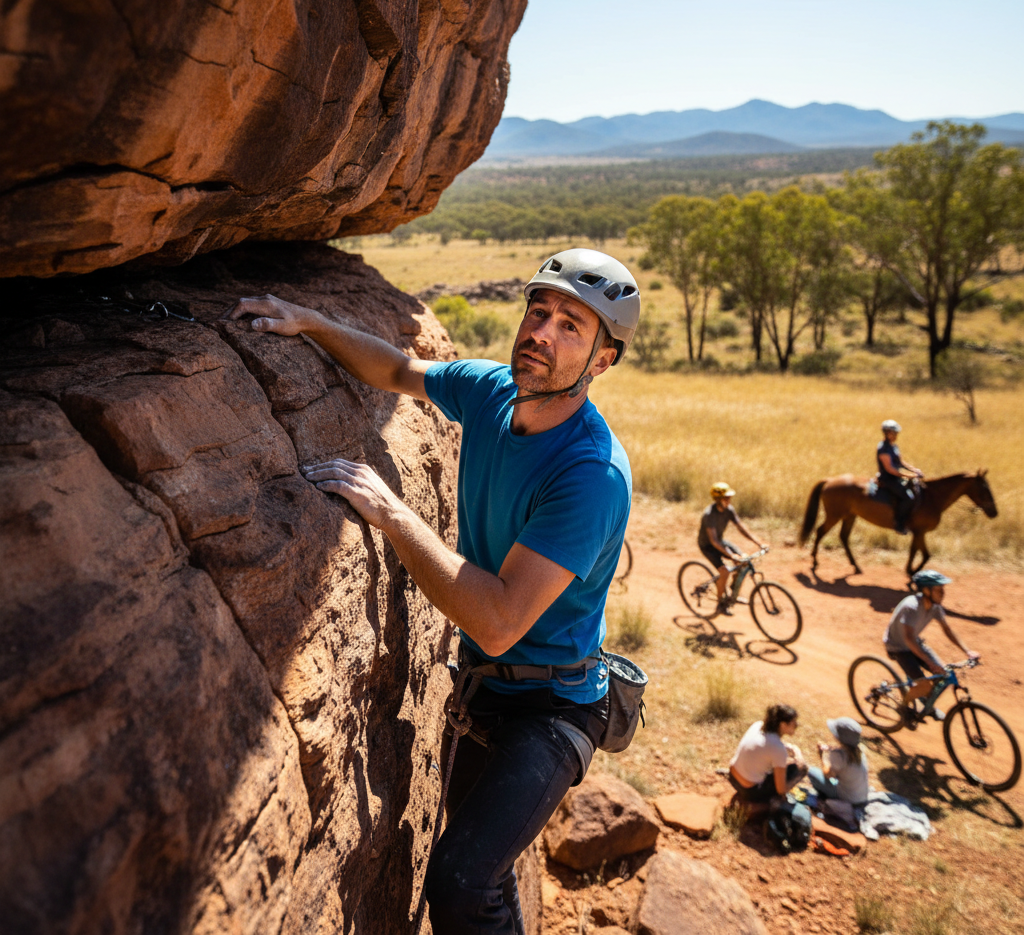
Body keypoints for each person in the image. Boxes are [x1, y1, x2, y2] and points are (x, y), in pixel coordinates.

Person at [226, 248, 640, 935]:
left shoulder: (589, 473)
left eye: (573, 326)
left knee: (461, 877)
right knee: (484, 872)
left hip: (552, 710)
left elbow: (502, 618)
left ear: (602, 360)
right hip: (488, 690)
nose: (542, 332)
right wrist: (312, 323)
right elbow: (395, 369)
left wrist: (391, 513)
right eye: (540, 311)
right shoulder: (491, 392)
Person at [883, 570, 980, 729]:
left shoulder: (935, 607)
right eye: (939, 589)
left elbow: (947, 630)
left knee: (943, 674)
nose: (943, 593)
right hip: (898, 647)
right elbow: (908, 638)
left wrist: (967, 651)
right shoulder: (911, 606)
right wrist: (928, 661)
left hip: (915, 643)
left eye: (943, 589)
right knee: (925, 686)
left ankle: (927, 706)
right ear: (926, 590)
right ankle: (903, 708)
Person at [697, 482, 768, 613]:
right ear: (718, 500)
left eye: (729, 497)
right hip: (708, 546)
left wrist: (758, 543)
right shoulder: (709, 515)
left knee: (743, 562)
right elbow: (713, 541)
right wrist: (731, 555)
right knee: (725, 571)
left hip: (721, 542)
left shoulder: (729, 510)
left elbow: (741, 527)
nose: (729, 500)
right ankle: (720, 603)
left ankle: (732, 594)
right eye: (726, 498)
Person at [728, 704, 808, 803]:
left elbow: (763, 745)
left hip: (732, 777)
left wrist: (788, 747)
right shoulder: (778, 748)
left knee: (774, 766)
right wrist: (798, 754)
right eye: (793, 722)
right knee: (798, 769)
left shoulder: (758, 725)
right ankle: (775, 803)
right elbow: (780, 789)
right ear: (783, 725)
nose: (796, 725)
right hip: (748, 791)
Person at [876, 419, 923, 535]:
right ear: (887, 433)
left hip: (896, 477)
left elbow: (901, 462)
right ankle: (899, 524)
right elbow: (890, 469)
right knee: (908, 498)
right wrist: (908, 475)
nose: (896, 435)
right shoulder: (883, 448)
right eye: (894, 433)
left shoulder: (893, 446)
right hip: (888, 479)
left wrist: (914, 470)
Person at [809, 717, 869, 805]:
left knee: (811, 771)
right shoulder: (860, 751)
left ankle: (825, 797)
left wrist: (824, 756)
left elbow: (827, 775)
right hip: (861, 797)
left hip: (847, 799)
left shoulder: (839, 755)